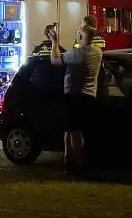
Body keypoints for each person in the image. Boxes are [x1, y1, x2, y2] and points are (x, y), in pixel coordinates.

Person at [50, 22, 102, 175]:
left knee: (74, 132)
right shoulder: (97, 51)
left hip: (75, 97)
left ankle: (78, 165)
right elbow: (78, 48)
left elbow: (55, 60)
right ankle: (69, 161)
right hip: (89, 96)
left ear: (80, 36)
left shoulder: (79, 54)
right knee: (71, 130)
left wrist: (54, 41)